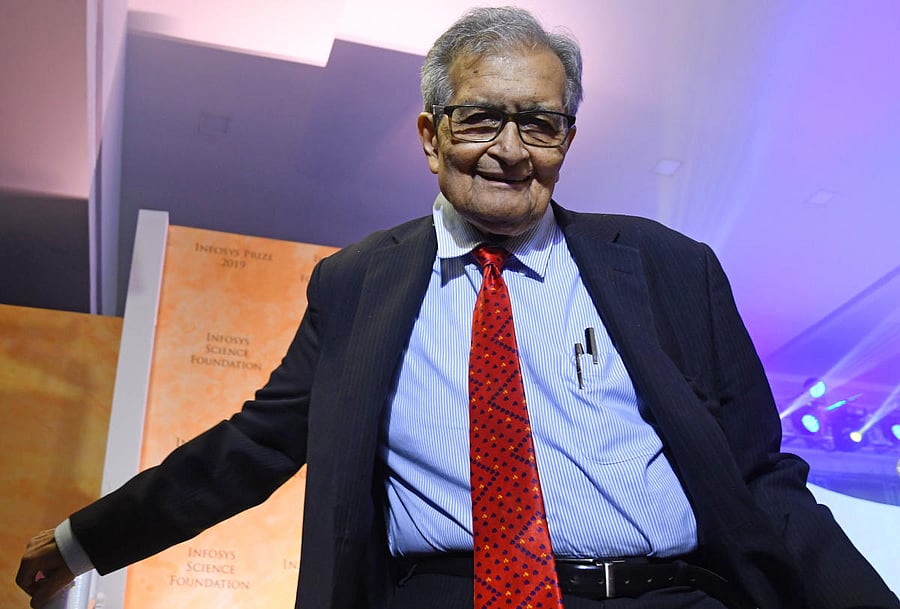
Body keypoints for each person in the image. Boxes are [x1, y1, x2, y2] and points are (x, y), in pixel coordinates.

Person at [16, 6, 899, 609]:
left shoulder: (672, 269)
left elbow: (761, 480)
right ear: (430, 133)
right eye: (481, 120)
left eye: (540, 124)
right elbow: (247, 450)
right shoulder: (356, 285)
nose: (511, 152)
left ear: (568, 138)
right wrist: (79, 543)